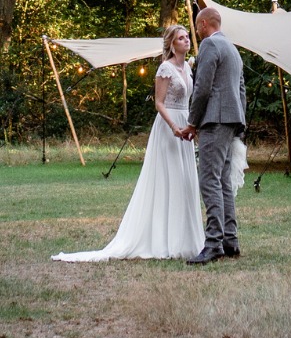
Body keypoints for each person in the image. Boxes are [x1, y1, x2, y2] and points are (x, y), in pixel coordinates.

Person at [52, 25, 203, 261]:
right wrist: (174, 126)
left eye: (186, 37)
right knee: (169, 179)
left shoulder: (189, 67)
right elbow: (159, 103)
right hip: (169, 127)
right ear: (172, 45)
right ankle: (164, 240)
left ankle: (187, 238)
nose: (186, 41)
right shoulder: (166, 68)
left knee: (185, 181)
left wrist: (192, 124)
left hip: (186, 125)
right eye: (180, 38)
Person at [180, 6, 247, 264]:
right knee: (223, 182)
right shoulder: (233, 49)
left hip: (214, 120)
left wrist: (192, 123)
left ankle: (213, 244)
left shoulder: (209, 45)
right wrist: (240, 122)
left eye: (197, 26)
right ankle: (230, 240)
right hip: (231, 119)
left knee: (209, 179)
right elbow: (241, 89)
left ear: (205, 23)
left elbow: (203, 88)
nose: (196, 31)